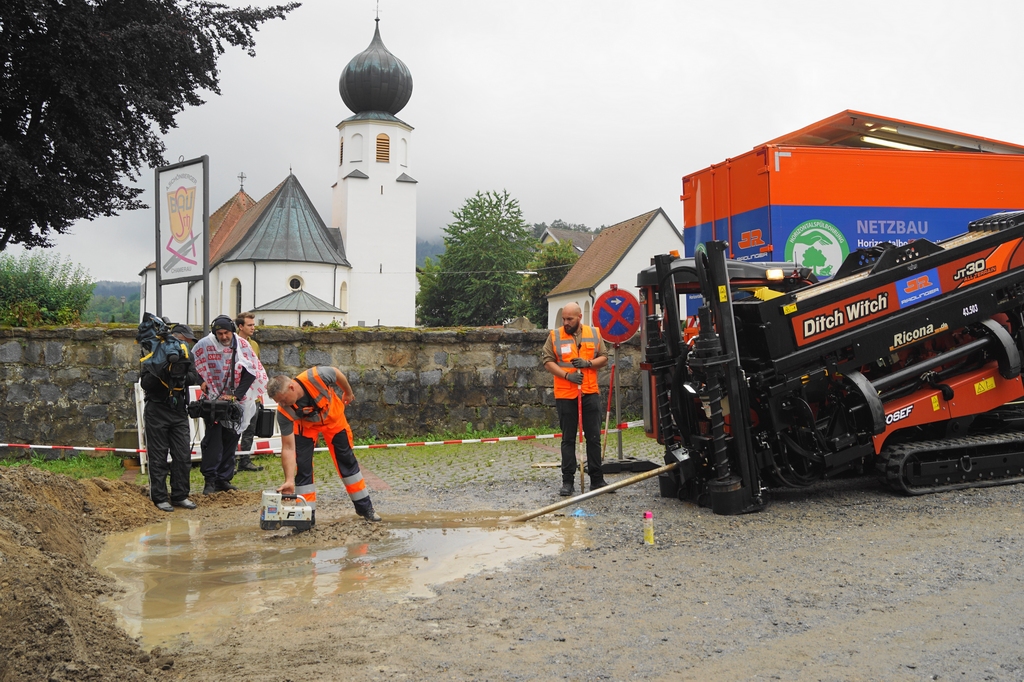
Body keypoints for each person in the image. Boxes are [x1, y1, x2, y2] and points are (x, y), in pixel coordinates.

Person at [267, 366, 381, 523]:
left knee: (347, 462)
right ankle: (305, 517)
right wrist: (288, 480)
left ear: (292, 387)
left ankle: (365, 509)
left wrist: (347, 392)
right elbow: (288, 447)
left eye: (283, 399)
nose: (282, 404)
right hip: (305, 428)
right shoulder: (284, 411)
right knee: (303, 467)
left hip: (334, 421)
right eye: (278, 402)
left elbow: (337, 374)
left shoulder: (316, 376)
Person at [192, 315, 268, 494]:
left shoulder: (242, 345)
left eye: (226, 333)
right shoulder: (204, 345)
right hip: (214, 400)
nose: (224, 337)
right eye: (220, 334)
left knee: (232, 439)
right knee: (213, 441)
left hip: (237, 401)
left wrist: (235, 395)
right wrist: (201, 380)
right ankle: (210, 480)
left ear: (232, 331)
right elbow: (193, 363)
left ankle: (223, 479)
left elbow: (251, 371)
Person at [542, 302, 612, 496]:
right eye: (564, 318)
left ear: (579, 317)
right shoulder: (554, 336)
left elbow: (604, 357)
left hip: (590, 392)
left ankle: (597, 480)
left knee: (594, 438)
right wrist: (567, 375)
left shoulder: (594, 333)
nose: (566, 322)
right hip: (566, 394)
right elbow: (547, 361)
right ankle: (568, 482)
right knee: (568, 439)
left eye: (569, 319)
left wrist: (588, 364)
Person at [140, 323, 201, 512]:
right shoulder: (154, 354)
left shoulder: (186, 354)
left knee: (182, 455)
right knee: (158, 457)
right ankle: (159, 497)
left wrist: (179, 374)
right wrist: (164, 370)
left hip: (178, 410)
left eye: (187, 342)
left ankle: (180, 495)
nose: (185, 345)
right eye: (185, 340)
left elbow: (194, 377)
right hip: (157, 409)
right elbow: (146, 384)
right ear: (174, 337)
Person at [234, 312, 264, 473]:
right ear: (240, 326)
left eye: (253, 324)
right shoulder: (233, 343)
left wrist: (260, 393)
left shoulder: (254, 345)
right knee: (234, 429)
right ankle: (230, 462)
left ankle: (244, 460)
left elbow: (258, 369)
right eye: (249, 325)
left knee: (250, 429)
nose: (253, 327)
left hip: (254, 394)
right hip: (238, 394)